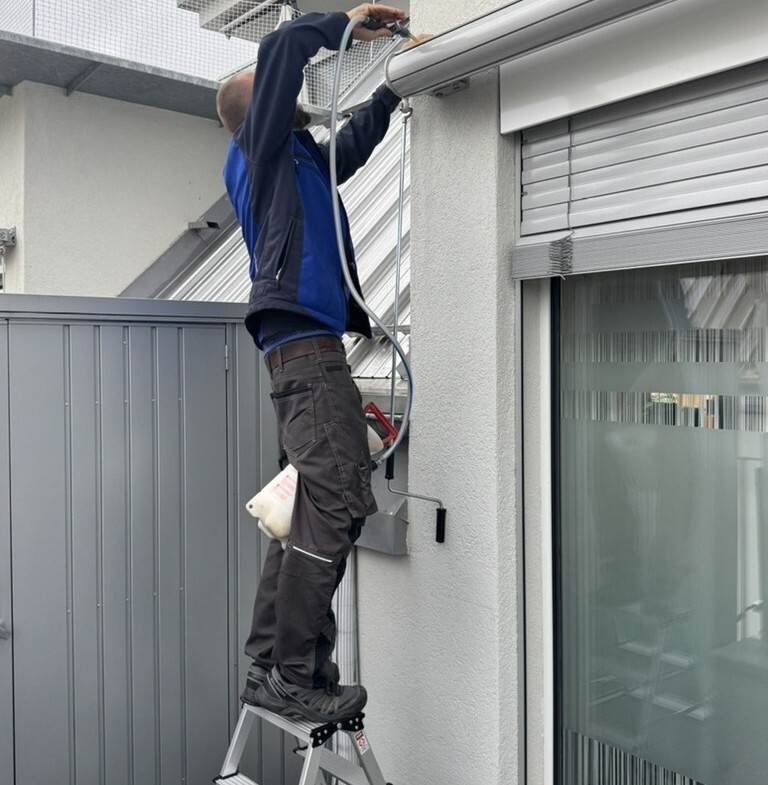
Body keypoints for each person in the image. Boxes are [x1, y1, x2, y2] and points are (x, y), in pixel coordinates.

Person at [216, 4, 408, 723]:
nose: (297, 100)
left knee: (308, 507)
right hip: (304, 351)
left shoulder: (297, 159)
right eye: (279, 93)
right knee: (338, 499)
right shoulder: (257, 151)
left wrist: (392, 86)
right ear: (257, 110)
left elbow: (349, 148)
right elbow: (281, 45)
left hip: (307, 350)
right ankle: (294, 672)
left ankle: (273, 661)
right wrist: (349, 21)